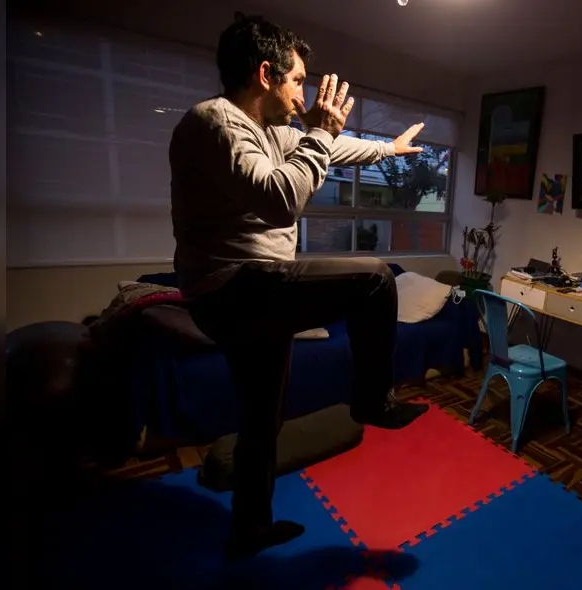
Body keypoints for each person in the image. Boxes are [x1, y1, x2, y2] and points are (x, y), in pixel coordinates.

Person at [169, 14, 429, 559]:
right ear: (266, 74)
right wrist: (319, 132)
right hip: (234, 290)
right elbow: (280, 199)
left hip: (252, 296)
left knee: (263, 417)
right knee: (376, 281)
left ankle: (250, 529)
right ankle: (372, 400)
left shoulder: (267, 131)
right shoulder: (213, 122)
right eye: (299, 80)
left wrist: (390, 150)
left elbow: (335, 149)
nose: (305, 93)